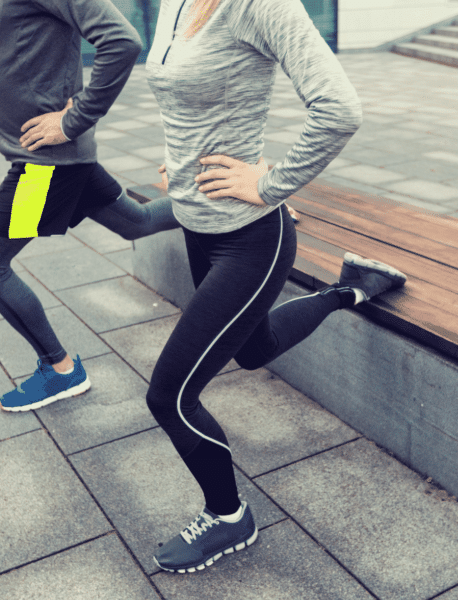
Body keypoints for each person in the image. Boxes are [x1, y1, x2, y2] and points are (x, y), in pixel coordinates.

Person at [143, 0, 407, 574]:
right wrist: (179, 164)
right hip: (200, 226)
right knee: (255, 349)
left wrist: (271, 184)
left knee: (168, 396)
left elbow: (339, 109)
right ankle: (352, 289)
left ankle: (230, 518)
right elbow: (186, 101)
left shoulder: (258, 5)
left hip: (251, 238)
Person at [0, 0, 181, 411]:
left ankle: (62, 371)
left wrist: (73, 121)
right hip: (53, 161)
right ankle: (229, 206)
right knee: (136, 222)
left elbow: (122, 41)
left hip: (45, 168)